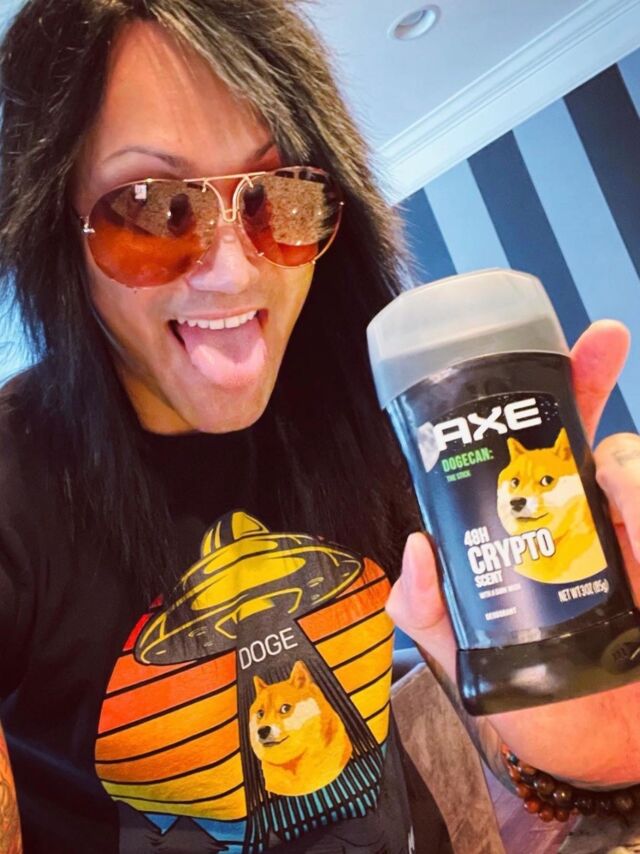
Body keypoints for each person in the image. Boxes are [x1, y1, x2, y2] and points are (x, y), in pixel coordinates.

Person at [0, 1, 638, 852]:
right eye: (152, 210)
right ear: (57, 230)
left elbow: (517, 742)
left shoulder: (387, 427)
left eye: (277, 197)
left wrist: (591, 750)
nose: (235, 272)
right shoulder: (16, 484)